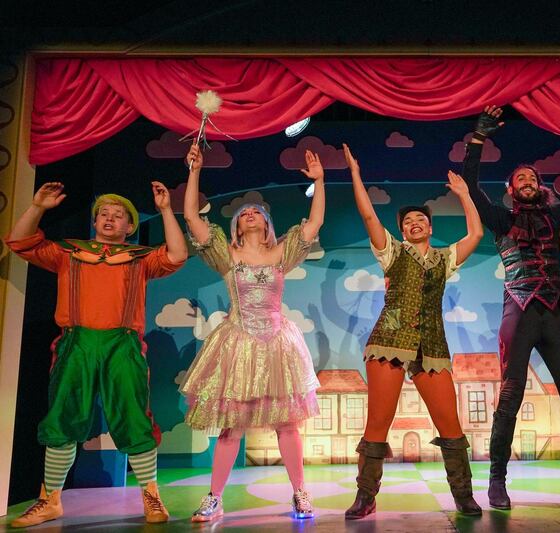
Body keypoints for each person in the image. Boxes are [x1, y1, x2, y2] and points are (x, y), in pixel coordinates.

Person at [6, 181, 187, 527]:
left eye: (118, 215)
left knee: (134, 416)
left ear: (129, 227)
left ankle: (150, 494)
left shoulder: (139, 259)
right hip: (77, 343)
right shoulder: (69, 253)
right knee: (62, 416)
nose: (109, 218)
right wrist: (37, 207)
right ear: (94, 221)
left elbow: (177, 254)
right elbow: (20, 241)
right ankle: (50, 499)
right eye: (103, 213)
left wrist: (165, 210)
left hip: (123, 344)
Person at [463, 106, 560, 508]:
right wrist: (478, 138)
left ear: (540, 187)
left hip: (554, 316)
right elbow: (470, 185)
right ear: (512, 190)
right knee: (511, 396)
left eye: (533, 177)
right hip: (519, 313)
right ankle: (497, 482)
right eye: (521, 179)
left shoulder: (553, 216)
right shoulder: (499, 219)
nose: (528, 181)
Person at [180, 144, 324, 521]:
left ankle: (300, 494)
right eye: (243, 213)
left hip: (277, 341)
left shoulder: (281, 253)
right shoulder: (227, 255)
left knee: (287, 424)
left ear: (266, 223)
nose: (249, 214)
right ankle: (214, 498)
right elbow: (193, 219)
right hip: (238, 343)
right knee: (232, 427)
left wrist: (320, 181)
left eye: (256, 212)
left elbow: (313, 225)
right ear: (236, 226)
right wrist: (194, 171)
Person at [342, 144, 484, 519]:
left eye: (420, 220)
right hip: (389, 337)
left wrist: (466, 196)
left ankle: (464, 496)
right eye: (407, 222)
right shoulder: (392, 253)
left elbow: (476, 234)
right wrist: (356, 175)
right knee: (378, 421)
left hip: (431, 343)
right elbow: (369, 215)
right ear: (403, 231)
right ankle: (365, 496)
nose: (414, 223)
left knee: (449, 423)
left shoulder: (444, 259)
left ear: (430, 228)